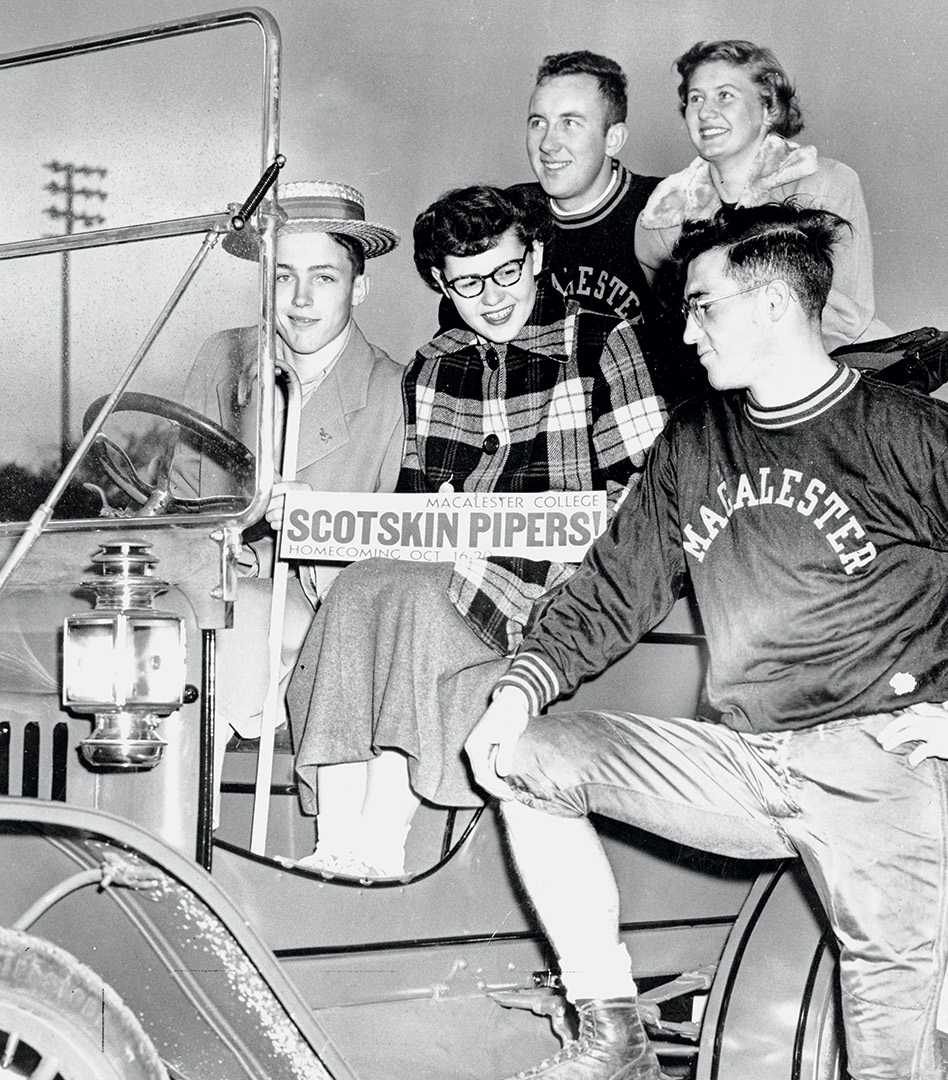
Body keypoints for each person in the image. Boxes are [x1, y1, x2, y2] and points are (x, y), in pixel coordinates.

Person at [463, 203, 948, 1080]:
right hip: (744, 760)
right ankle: (613, 1035)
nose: (686, 334)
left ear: (773, 306)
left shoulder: (909, 432)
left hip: (874, 768)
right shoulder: (694, 442)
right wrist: (516, 692)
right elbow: (613, 587)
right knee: (523, 756)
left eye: (702, 307)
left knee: (892, 1066)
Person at [286, 185, 667, 878]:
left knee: (416, 600)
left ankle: (378, 845)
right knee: (361, 586)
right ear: (440, 283)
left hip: (562, 578)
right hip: (451, 567)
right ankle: (332, 839)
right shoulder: (433, 365)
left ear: (538, 255)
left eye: (506, 271)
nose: (491, 296)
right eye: (465, 283)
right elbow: (412, 504)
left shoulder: (603, 339)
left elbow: (647, 488)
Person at [171, 180, 407, 737]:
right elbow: (183, 499)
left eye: (324, 277)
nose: (300, 300)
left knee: (230, 629)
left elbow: (395, 563)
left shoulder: (397, 392)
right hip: (213, 589)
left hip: (321, 614)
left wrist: (318, 529)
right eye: (283, 276)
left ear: (360, 287)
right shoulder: (224, 357)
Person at [438, 53, 695, 398]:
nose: (548, 144)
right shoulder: (508, 215)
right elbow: (458, 334)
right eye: (538, 123)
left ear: (613, 139)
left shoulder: (665, 211)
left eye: (570, 123)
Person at [635, 39, 891, 350]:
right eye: (695, 98)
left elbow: (841, 319)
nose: (706, 112)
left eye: (725, 95)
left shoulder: (827, 184)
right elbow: (682, 332)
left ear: (768, 108)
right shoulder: (661, 222)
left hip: (836, 364)